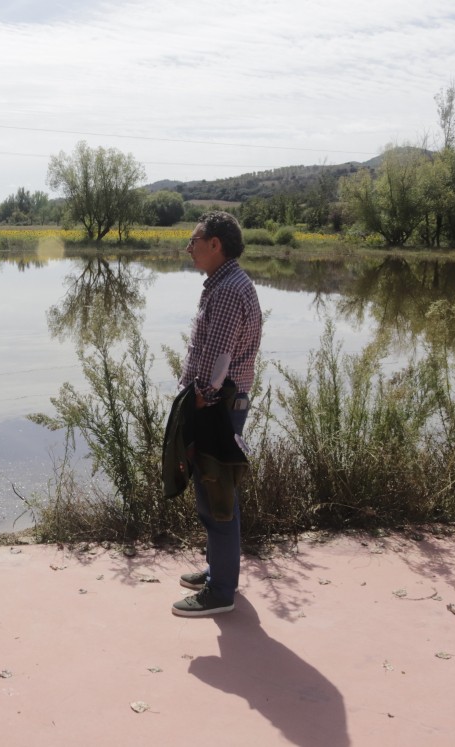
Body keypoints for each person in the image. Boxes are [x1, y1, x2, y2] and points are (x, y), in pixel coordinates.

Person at [171, 210, 263, 617]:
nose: (188, 248)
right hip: (220, 402)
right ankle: (217, 572)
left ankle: (221, 591)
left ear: (215, 244)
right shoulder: (226, 282)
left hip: (216, 403)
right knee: (214, 491)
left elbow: (220, 355)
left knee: (217, 495)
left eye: (194, 240)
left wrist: (201, 396)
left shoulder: (226, 290)